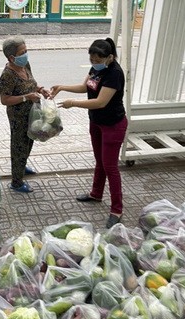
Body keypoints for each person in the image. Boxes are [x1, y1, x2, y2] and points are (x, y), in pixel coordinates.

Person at [50, 38, 128, 229]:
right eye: (91, 60)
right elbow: (86, 87)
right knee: (100, 161)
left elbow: (101, 101)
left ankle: (117, 209)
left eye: (97, 60)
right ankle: (96, 194)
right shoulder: (97, 68)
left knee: (111, 167)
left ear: (109, 57)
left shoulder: (114, 73)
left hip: (113, 124)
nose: (94, 63)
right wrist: (62, 87)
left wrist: (73, 103)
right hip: (97, 122)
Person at [0, 36, 51, 193]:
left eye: (26, 51)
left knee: (29, 140)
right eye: (22, 52)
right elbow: (4, 99)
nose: (26, 54)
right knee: (18, 146)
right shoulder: (7, 75)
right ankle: (16, 182)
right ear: (12, 57)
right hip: (18, 117)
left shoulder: (25, 65)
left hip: (32, 113)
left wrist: (41, 90)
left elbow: (32, 83)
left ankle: (21, 166)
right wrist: (26, 97)